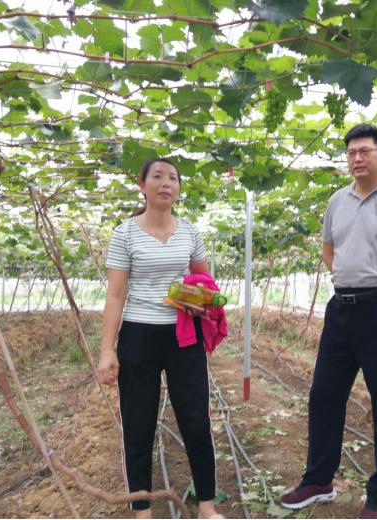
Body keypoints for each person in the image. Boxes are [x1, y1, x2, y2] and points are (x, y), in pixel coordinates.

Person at [280, 124, 377, 518]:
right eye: (351, 153)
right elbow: (329, 249)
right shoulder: (337, 201)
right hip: (341, 309)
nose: (357, 158)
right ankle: (318, 480)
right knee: (323, 394)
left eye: (365, 151)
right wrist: (346, 277)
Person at [97, 157, 223, 520]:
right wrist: (108, 350)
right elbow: (116, 294)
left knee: (196, 418)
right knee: (138, 422)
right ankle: (141, 509)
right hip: (138, 334)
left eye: (173, 178)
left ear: (178, 189)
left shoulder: (190, 232)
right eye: (157, 176)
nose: (166, 183)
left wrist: (201, 302)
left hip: (183, 334)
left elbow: (206, 284)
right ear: (142, 184)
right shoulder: (125, 234)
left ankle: (207, 505)